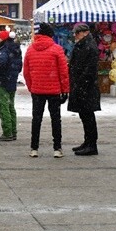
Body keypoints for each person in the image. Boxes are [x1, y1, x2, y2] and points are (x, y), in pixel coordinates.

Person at [23, 22, 70, 158]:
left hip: (37, 90)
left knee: (36, 119)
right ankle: (57, 148)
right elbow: (63, 72)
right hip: (54, 90)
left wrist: (32, 86)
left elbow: (26, 72)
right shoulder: (57, 49)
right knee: (56, 119)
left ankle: (34, 148)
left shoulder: (30, 50)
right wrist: (65, 90)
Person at [67, 22, 101, 156]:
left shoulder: (89, 46)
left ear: (84, 33)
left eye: (77, 33)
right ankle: (87, 142)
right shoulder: (82, 45)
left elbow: (90, 69)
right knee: (84, 115)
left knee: (88, 116)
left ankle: (92, 144)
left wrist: (80, 82)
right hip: (81, 85)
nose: (75, 36)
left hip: (86, 87)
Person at [0, 29, 23, 141]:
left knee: (3, 106)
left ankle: (7, 132)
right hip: (12, 80)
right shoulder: (16, 49)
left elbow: (1, 63)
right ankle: (13, 131)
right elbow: (19, 66)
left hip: (2, 81)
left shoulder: (4, 50)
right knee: (10, 106)